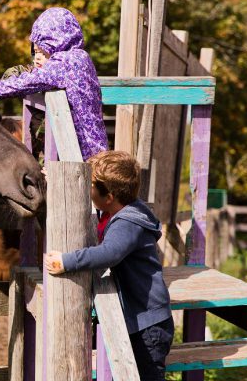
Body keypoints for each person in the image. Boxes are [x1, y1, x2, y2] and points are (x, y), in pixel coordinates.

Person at [44, 151, 174, 381]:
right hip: (142, 317)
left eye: (90, 185)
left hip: (147, 325)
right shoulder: (126, 210)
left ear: (110, 197)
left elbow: (109, 253)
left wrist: (67, 261)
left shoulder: (127, 223)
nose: (87, 189)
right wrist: (54, 181)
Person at [0, 6, 108, 161]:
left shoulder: (65, 62)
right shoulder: (81, 58)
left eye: (43, 51)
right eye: (35, 52)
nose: (37, 57)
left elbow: (29, 81)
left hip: (82, 152)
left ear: (55, 42)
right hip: (95, 147)